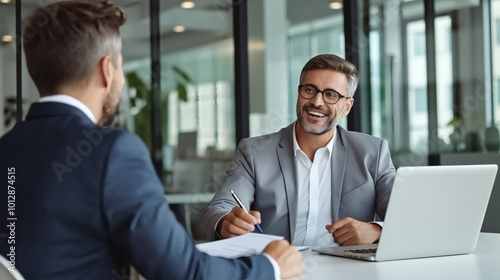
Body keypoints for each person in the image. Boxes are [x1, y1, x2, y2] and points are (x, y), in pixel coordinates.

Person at [0, 1, 303, 279]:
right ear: (107, 70)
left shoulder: (7, 147)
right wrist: (270, 266)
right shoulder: (112, 151)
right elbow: (183, 272)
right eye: (120, 64)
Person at [204, 54, 396, 248]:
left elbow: (408, 218)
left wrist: (377, 230)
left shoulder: (373, 152)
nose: (317, 102)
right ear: (299, 93)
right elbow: (219, 209)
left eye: (331, 94)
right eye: (309, 90)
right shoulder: (254, 152)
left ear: (347, 106)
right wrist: (224, 222)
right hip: (279, 270)